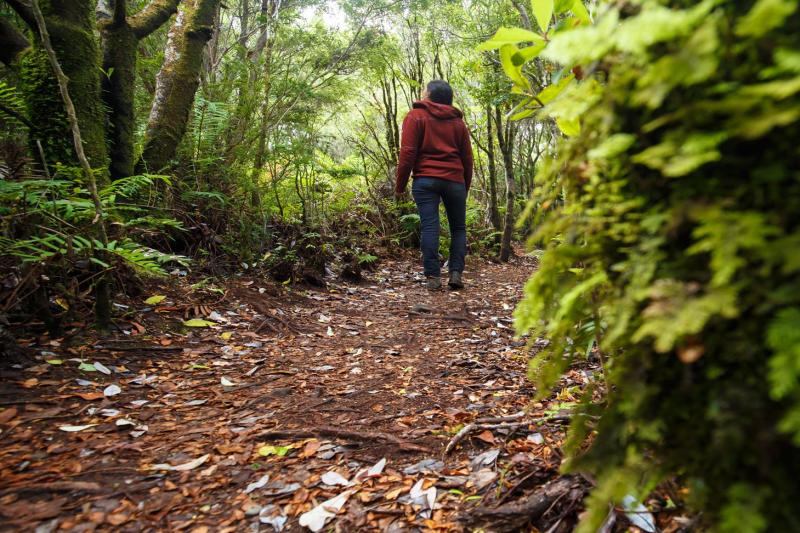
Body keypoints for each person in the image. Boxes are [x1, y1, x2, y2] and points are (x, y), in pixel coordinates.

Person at [395, 80, 473, 291]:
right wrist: (464, 186)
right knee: (458, 228)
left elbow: (408, 153)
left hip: (425, 180)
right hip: (455, 180)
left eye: (424, 90)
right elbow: (468, 159)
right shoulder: (458, 124)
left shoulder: (415, 117)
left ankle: (433, 277)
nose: (421, 93)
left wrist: (400, 185)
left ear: (429, 95)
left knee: (430, 226)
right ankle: (455, 273)